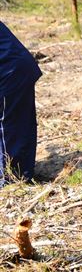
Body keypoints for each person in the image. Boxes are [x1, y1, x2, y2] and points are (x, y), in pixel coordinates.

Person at [0, 20, 42, 187]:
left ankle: (12, 180)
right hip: (15, 68)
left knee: (9, 127)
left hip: (10, 71)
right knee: (17, 126)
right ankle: (20, 172)